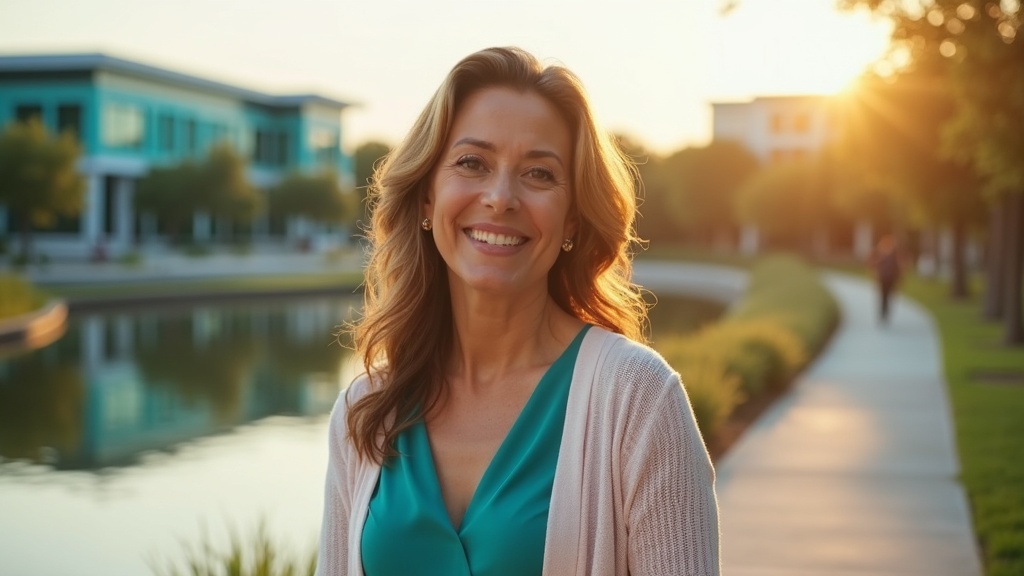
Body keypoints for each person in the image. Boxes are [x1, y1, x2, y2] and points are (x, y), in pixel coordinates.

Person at [315, 47, 719, 576]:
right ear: (425, 199)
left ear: (573, 220)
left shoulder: (638, 402)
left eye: (539, 174)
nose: (501, 197)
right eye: (471, 163)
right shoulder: (365, 410)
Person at [871, 235, 903, 324]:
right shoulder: (879, 254)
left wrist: (899, 280)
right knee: (882, 296)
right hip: (882, 278)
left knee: (888, 296)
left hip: (890, 279)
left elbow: (897, 269)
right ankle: (882, 314)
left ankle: (886, 312)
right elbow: (874, 266)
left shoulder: (894, 255)